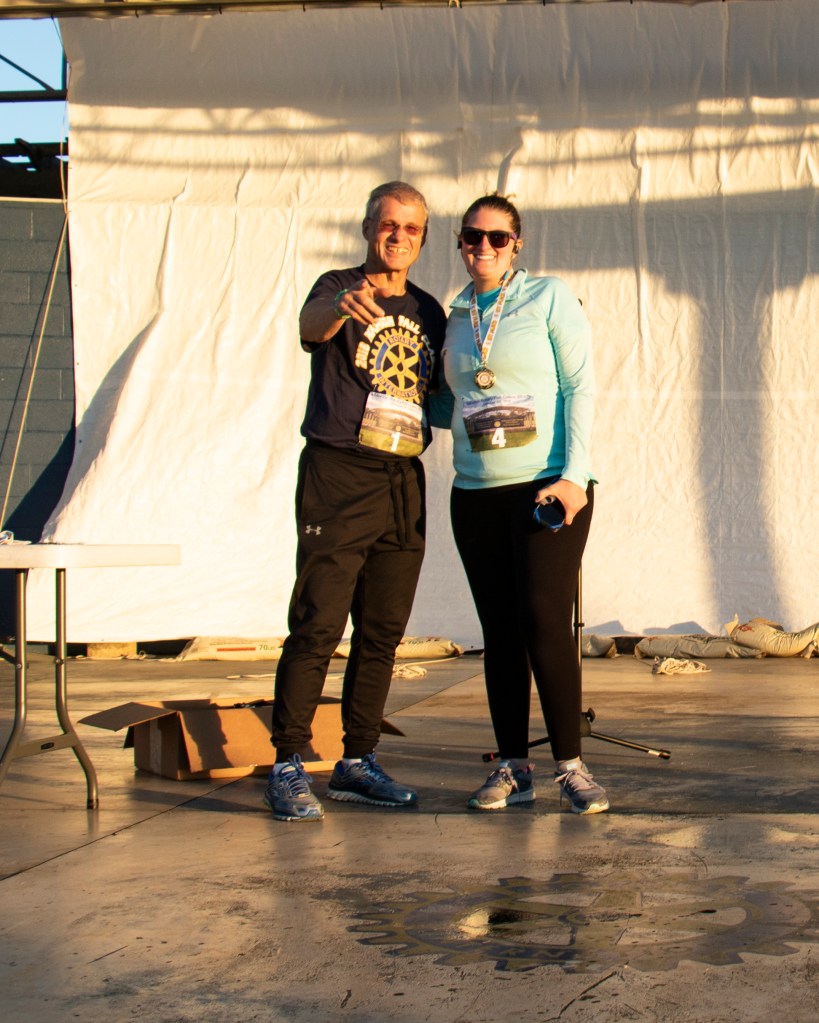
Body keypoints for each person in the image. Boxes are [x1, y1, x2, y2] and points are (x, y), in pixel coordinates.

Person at [265, 181, 447, 822]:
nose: (399, 236)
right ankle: (288, 762)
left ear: (423, 239)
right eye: (388, 224)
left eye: (411, 228)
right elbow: (310, 327)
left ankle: (357, 761)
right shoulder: (338, 286)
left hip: (402, 477)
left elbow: (441, 392)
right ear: (369, 227)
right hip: (338, 472)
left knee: (382, 632)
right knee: (318, 623)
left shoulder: (428, 310)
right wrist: (342, 306)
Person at [430, 193, 609, 814]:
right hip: (475, 491)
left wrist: (575, 477)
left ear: (517, 245)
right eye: (471, 236)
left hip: (545, 487)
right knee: (500, 631)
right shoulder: (455, 315)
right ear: (460, 242)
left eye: (497, 238)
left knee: (543, 621)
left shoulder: (547, 296)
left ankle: (571, 767)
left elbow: (580, 386)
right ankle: (512, 766)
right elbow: (449, 402)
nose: (483, 247)